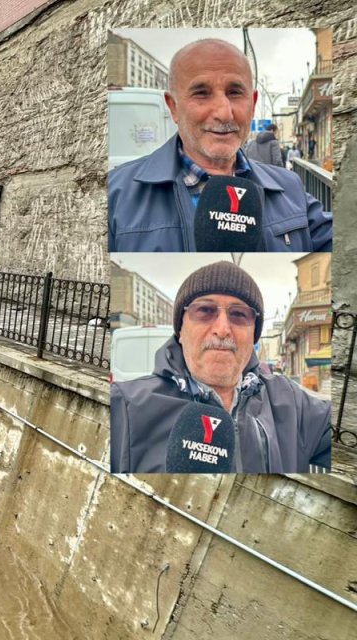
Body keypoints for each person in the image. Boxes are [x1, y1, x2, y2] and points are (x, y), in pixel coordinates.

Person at [108, 39, 331, 252]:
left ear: (252, 104)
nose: (224, 113)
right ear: (173, 107)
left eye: (234, 92)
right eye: (201, 93)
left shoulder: (290, 187)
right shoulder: (115, 195)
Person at [110, 262, 331, 474]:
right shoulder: (125, 407)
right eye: (205, 310)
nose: (223, 329)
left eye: (239, 314)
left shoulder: (291, 403)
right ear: (180, 331)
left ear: (253, 333)